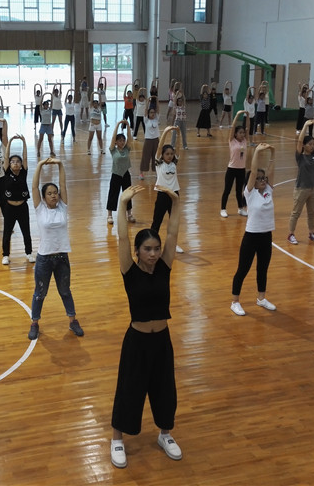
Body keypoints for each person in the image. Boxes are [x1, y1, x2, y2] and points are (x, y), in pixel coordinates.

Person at [110, 184, 183, 469]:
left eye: (156, 249)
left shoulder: (164, 268)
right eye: (147, 249)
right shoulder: (129, 271)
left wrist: (175, 203)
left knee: (165, 389)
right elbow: (122, 237)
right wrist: (122, 203)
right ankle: (117, 438)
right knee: (130, 389)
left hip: (162, 341)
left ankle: (165, 434)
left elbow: (173, 233)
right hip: (137, 342)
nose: (153, 254)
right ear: (138, 252)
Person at [27, 157, 83, 340]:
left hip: (62, 258)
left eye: (55, 193)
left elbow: (63, 183)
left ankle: (72, 321)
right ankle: (34, 323)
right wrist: (40, 165)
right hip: (44, 258)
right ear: (44, 197)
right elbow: (34, 187)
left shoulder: (63, 207)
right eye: (49, 193)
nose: (53, 195)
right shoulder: (40, 209)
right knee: (40, 293)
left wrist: (60, 164)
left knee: (65, 291)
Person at [230, 143, 277, 316]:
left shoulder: (268, 191)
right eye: (259, 178)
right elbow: (254, 169)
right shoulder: (249, 193)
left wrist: (273, 153)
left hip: (266, 236)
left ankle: (261, 298)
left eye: (264, 178)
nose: (263, 180)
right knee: (243, 270)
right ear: (252, 181)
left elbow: (271, 170)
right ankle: (235, 302)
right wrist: (257, 152)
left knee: (262, 269)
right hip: (251, 237)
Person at [286, 121, 314, 245]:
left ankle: (312, 233)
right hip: (301, 189)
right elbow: (299, 141)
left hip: (313, 189)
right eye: (310, 144)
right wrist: (306, 125)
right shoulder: (300, 157)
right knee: (296, 213)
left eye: (313, 144)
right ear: (304, 145)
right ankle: (291, 234)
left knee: (311, 213)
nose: (312, 146)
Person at [2, 135, 35, 265]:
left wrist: (24, 142)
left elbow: (25, 157)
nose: (15, 163)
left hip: (22, 207)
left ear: (21, 165)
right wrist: (10, 141)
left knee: (26, 231)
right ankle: (5, 255)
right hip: (9, 208)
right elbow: (6, 157)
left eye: (18, 162)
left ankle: (29, 253)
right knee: (7, 232)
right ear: (9, 165)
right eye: (13, 162)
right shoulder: (7, 173)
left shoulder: (23, 173)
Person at [151, 128, 184, 253]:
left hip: (174, 195)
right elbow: (160, 147)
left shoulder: (174, 162)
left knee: (174, 222)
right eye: (167, 154)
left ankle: (173, 244)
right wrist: (166, 132)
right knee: (157, 221)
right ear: (162, 155)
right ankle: (152, 244)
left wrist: (178, 134)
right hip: (162, 195)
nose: (170, 156)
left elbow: (178, 147)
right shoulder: (159, 163)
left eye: (171, 154)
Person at [220, 111, 249, 218]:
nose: (242, 134)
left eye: (243, 133)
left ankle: (240, 208)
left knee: (239, 191)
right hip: (232, 169)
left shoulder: (245, 141)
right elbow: (232, 127)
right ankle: (223, 209)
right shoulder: (232, 141)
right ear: (235, 134)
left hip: (241, 169)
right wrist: (237, 115)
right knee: (227, 190)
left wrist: (248, 116)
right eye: (240, 133)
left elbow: (248, 128)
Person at [106, 122, 135, 225]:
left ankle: (129, 214)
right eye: (120, 140)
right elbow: (113, 137)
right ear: (116, 142)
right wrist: (118, 124)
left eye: (123, 140)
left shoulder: (127, 149)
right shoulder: (113, 150)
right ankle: (109, 215)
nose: (122, 142)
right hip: (116, 175)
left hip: (126, 174)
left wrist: (128, 125)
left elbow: (130, 138)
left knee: (128, 194)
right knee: (113, 194)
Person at [139, 107, 160, 180]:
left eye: (153, 112)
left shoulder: (156, 119)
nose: (153, 114)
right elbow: (145, 111)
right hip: (148, 140)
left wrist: (156, 100)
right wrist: (148, 102)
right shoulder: (146, 120)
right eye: (151, 112)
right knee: (145, 157)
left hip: (156, 140)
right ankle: (141, 173)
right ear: (148, 114)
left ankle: (157, 172)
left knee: (156, 157)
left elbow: (158, 109)